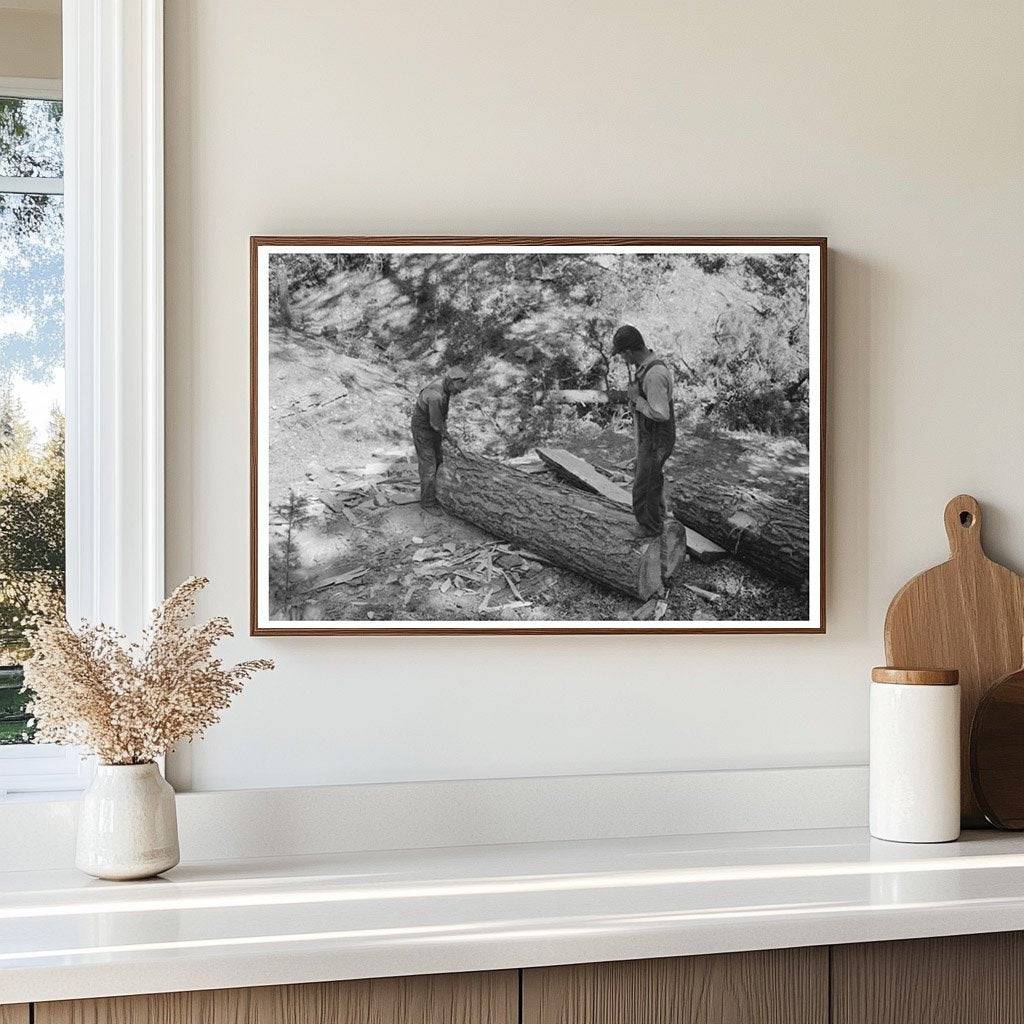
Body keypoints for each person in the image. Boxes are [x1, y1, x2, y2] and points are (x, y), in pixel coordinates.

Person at [610, 325, 676, 537]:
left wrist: (637, 400)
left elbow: (661, 414)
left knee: (643, 484)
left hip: (658, 436)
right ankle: (659, 516)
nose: (622, 359)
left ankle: (649, 527)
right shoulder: (644, 367)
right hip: (651, 434)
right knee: (651, 476)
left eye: (622, 354)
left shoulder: (654, 375)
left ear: (629, 351)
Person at [411, 365, 470, 509]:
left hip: (433, 426)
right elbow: (436, 424)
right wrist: (447, 437)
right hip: (422, 429)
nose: (457, 392)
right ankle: (427, 503)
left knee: (439, 460)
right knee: (429, 466)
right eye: (457, 389)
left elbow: (441, 418)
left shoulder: (446, 388)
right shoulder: (435, 395)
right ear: (450, 382)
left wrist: (445, 432)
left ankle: (437, 493)